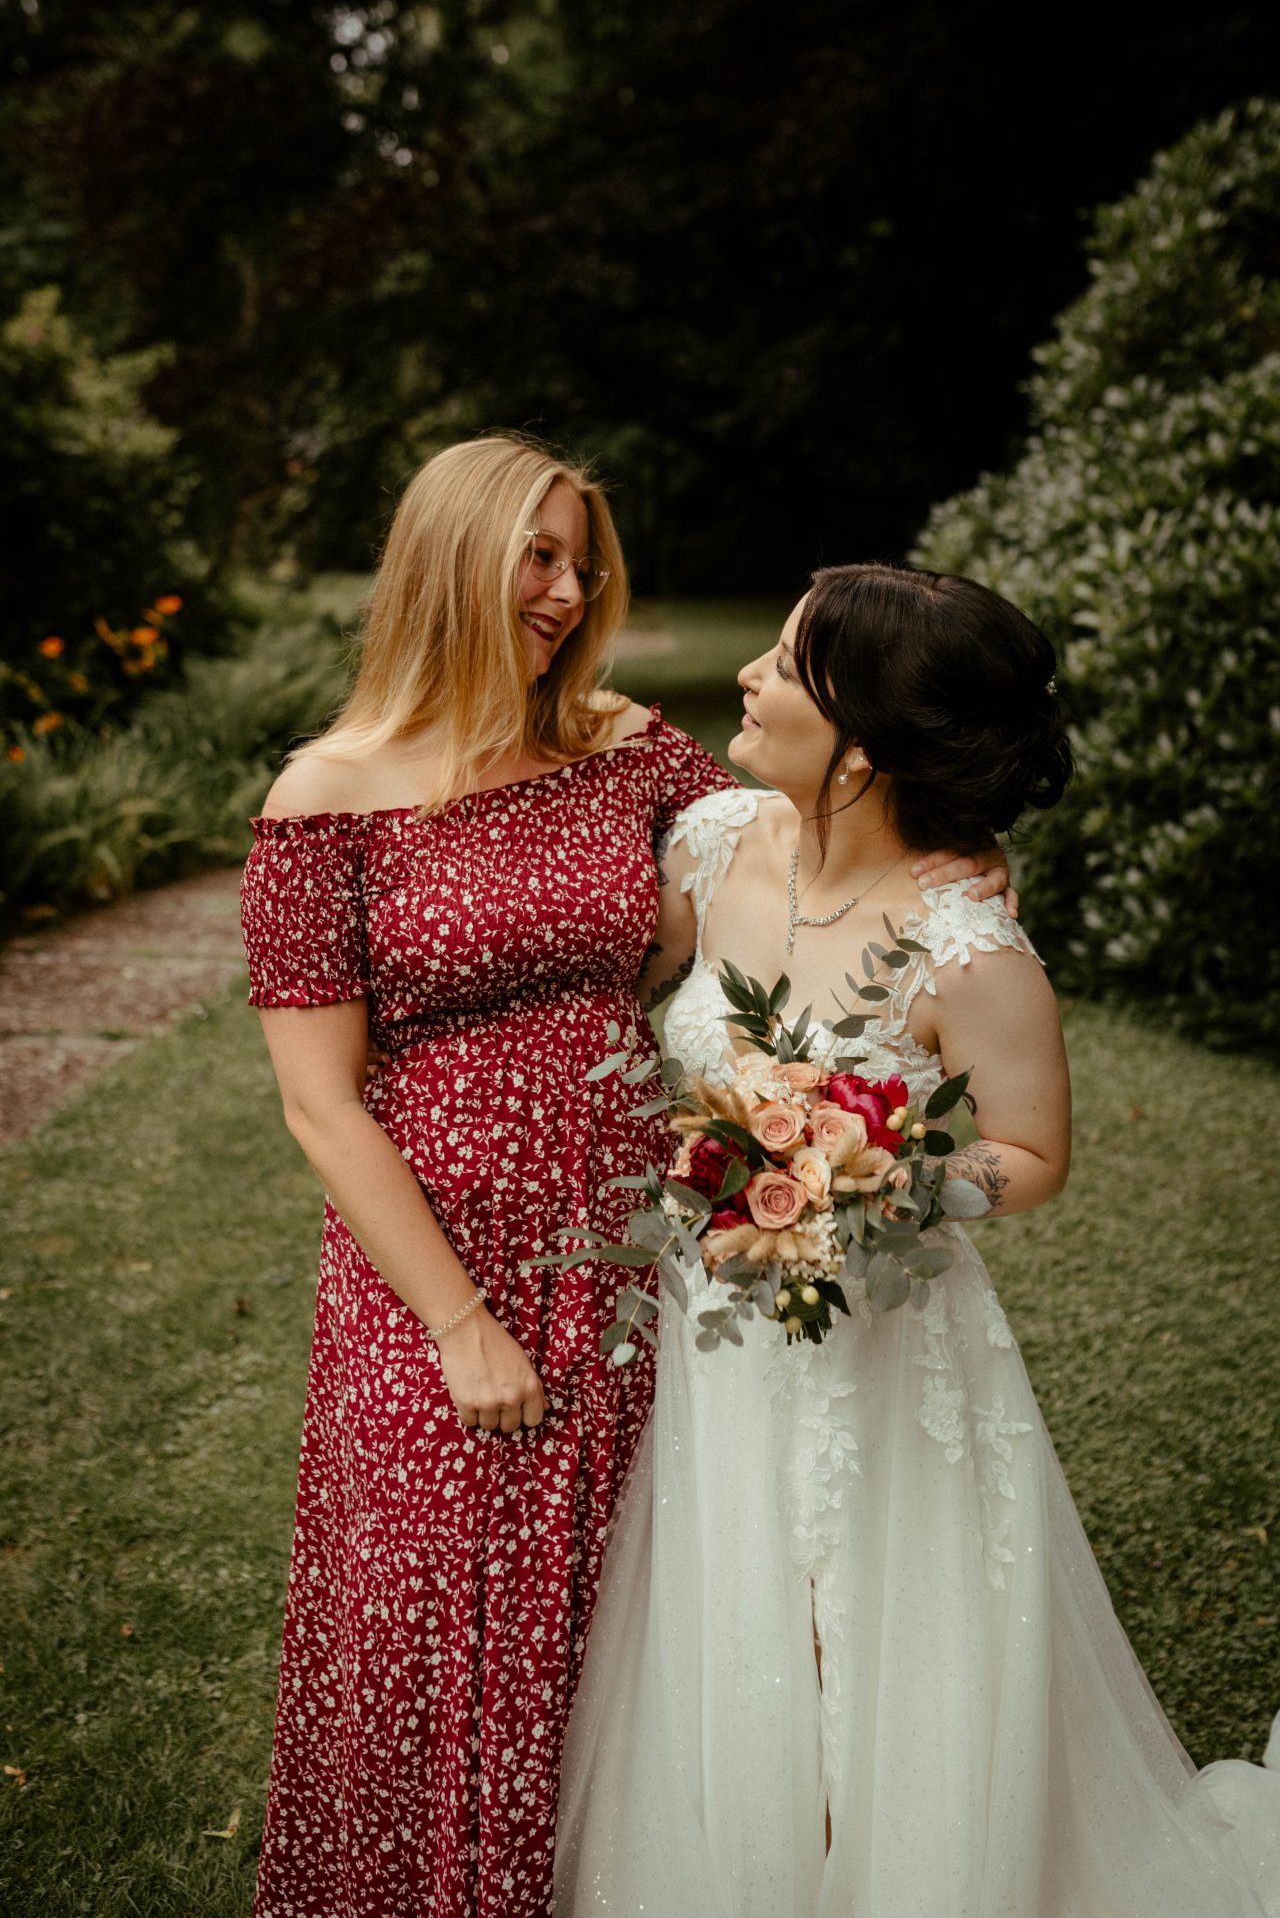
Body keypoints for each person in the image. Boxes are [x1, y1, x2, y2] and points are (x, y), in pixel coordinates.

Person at [239, 440, 1011, 1918]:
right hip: (432, 1258)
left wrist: (958, 861)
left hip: (630, 1241)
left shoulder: (621, 745)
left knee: (614, 1606)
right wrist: (459, 1322)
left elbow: (810, 824)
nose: (567, 589)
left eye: (581, 560)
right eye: (536, 555)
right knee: (426, 1607)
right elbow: (318, 1102)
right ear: (448, 559)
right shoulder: (320, 798)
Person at [554, 563, 1280, 1917]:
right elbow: (617, 992)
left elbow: (1033, 1155)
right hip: (718, 1339)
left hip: (885, 1352)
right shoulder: (711, 843)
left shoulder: (967, 946)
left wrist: (869, 1182)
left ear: (863, 747)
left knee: (879, 1626)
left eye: (784, 664)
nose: (748, 678)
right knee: (738, 1609)